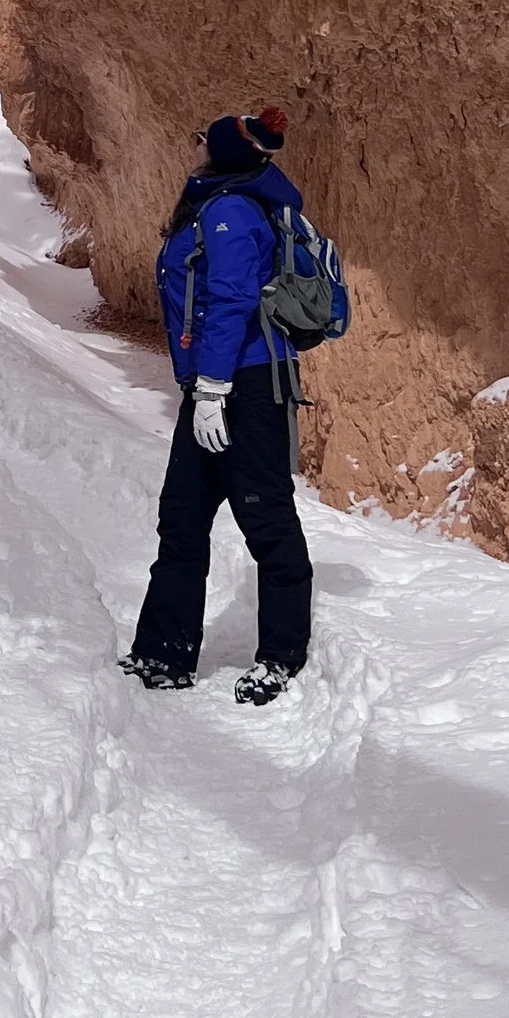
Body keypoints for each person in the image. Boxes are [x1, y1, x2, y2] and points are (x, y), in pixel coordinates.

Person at [124, 107, 314, 704]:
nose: (196, 146)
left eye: (204, 139)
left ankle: (282, 657)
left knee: (266, 518)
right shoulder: (214, 202)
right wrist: (203, 389)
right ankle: (163, 652)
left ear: (226, 152)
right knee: (182, 519)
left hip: (245, 387)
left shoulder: (230, 212)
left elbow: (229, 303)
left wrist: (212, 390)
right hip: (212, 387)